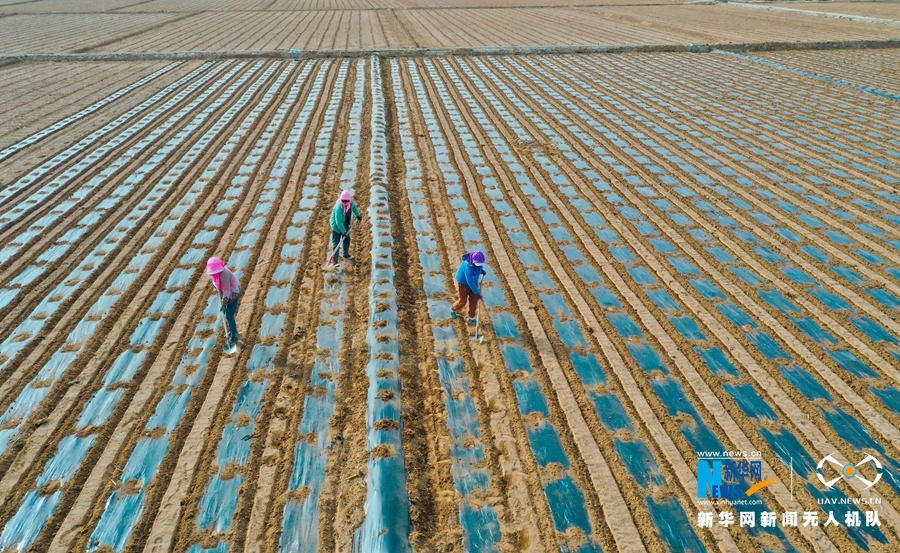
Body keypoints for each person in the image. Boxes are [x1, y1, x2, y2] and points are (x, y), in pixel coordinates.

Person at [206, 257, 242, 353]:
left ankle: (234, 336)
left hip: (233, 295)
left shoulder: (224, 275)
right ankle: (233, 331)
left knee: (229, 316)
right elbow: (218, 287)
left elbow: (227, 292)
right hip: (226, 295)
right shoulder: (216, 276)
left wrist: (223, 303)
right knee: (227, 314)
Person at [451, 250, 486, 324]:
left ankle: (471, 318)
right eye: (477, 264)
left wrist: (481, 271)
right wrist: (477, 292)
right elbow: (469, 281)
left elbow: (479, 268)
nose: (478, 265)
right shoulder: (468, 266)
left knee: (474, 300)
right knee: (463, 301)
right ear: (473, 261)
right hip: (463, 283)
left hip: (473, 282)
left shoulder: (478, 263)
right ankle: (453, 309)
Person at [330, 190, 362, 260]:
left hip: (345, 223)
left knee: (346, 240)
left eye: (346, 201)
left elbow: (354, 208)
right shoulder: (339, 207)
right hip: (336, 226)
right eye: (343, 201)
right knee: (336, 244)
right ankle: (335, 261)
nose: (345, 202)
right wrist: (343, 231)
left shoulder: (351, 202)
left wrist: (358, 215)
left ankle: (345, 254)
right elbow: (338, 222)